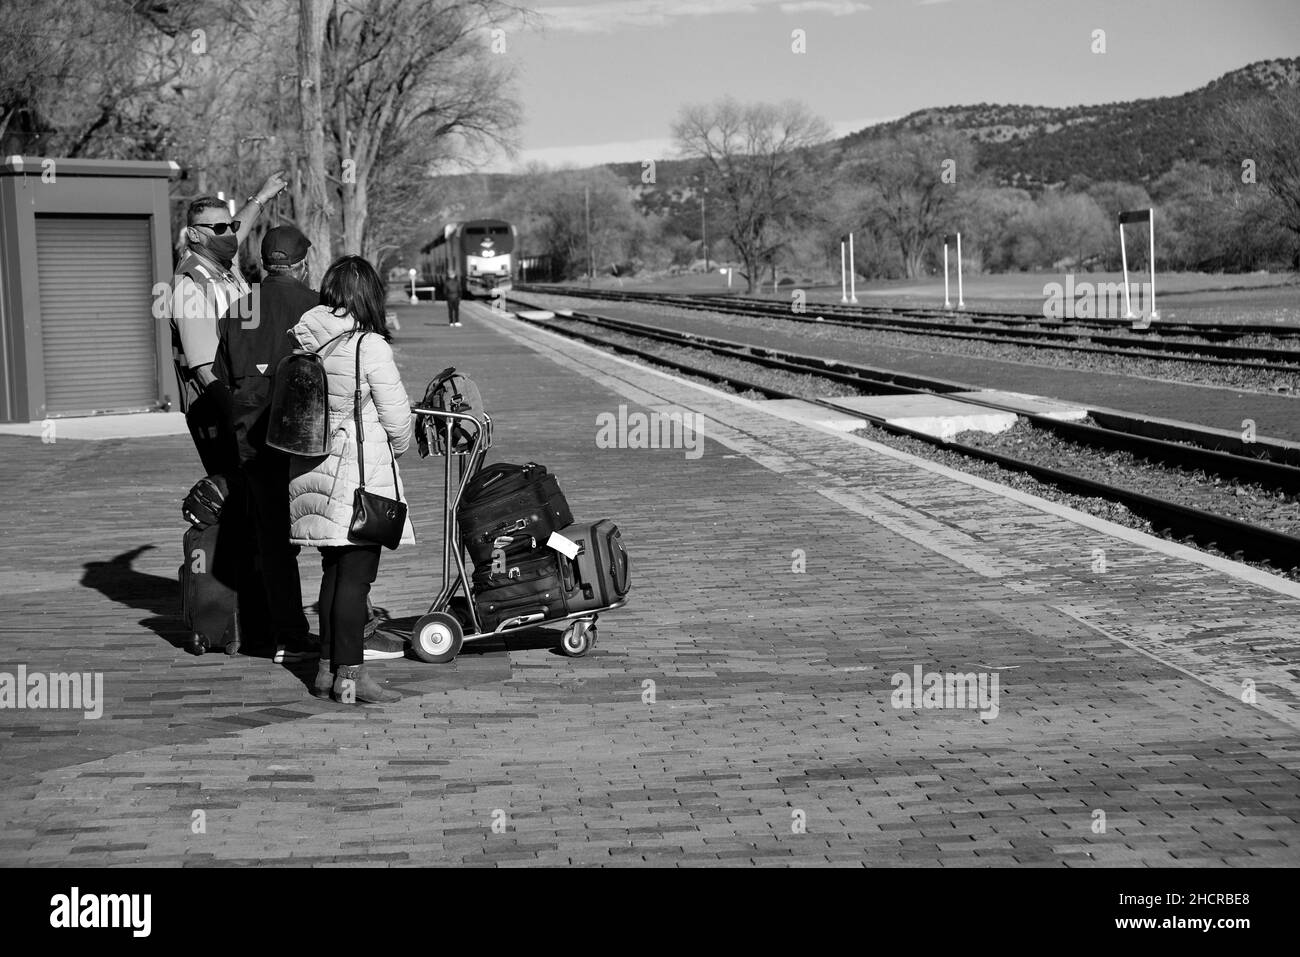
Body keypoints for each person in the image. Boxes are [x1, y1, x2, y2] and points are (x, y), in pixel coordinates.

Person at [288, 255, 415, 705]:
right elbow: (398, 420)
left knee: (333, 575)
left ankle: (325, 670)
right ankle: (351, 676)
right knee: (357, 579)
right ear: (368, 296)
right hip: (358, 479)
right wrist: (395, 449)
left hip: (313, 475)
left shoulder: (305, 338)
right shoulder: (369, 346)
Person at [211, 226, 317, 661]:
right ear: (303, 263)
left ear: (265, 262)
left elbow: (222, 373)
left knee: (270, 541)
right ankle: (340, 627)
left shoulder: (240, 308)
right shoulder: (317, 307)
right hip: (309, 440)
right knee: (334, 541)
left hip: (254, 442)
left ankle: (280, 634)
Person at [170, 172, 288, 474]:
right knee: (234, 502)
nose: (229, 234)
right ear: (194, 234)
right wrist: (243, 418)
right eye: (219, 228)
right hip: (219, 412)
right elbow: (206, 370)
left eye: (230, 227)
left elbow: (240, 228)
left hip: (246, 404)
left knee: (253, 501)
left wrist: (263, 196)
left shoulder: (224, 268)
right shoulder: (190, 284)